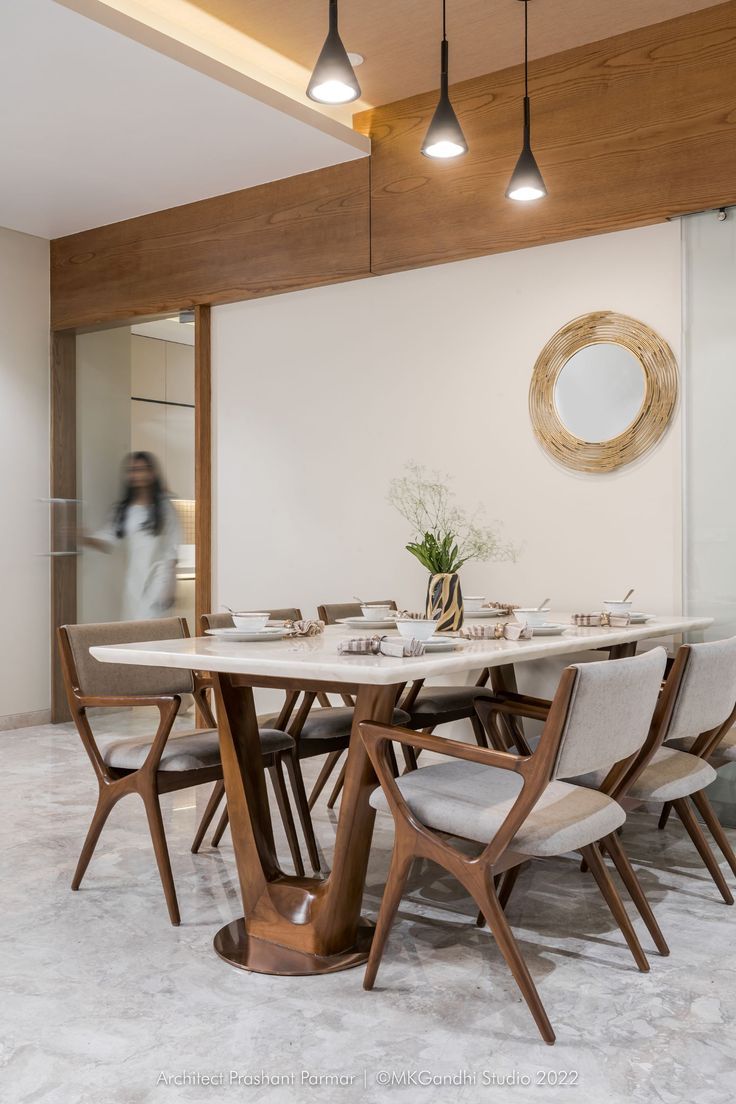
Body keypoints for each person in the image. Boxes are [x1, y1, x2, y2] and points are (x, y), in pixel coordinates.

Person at [83, 452, 181, 621]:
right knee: (133, 629)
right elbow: (108, 539)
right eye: (132, 470)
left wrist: (170, 585)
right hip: (134, 581)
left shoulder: (165, 508)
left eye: (142, 469)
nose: (136, 474)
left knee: (152, 629)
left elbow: (173, 548)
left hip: (159, 579)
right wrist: (83, 538)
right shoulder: (123, 510)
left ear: (152, 473)